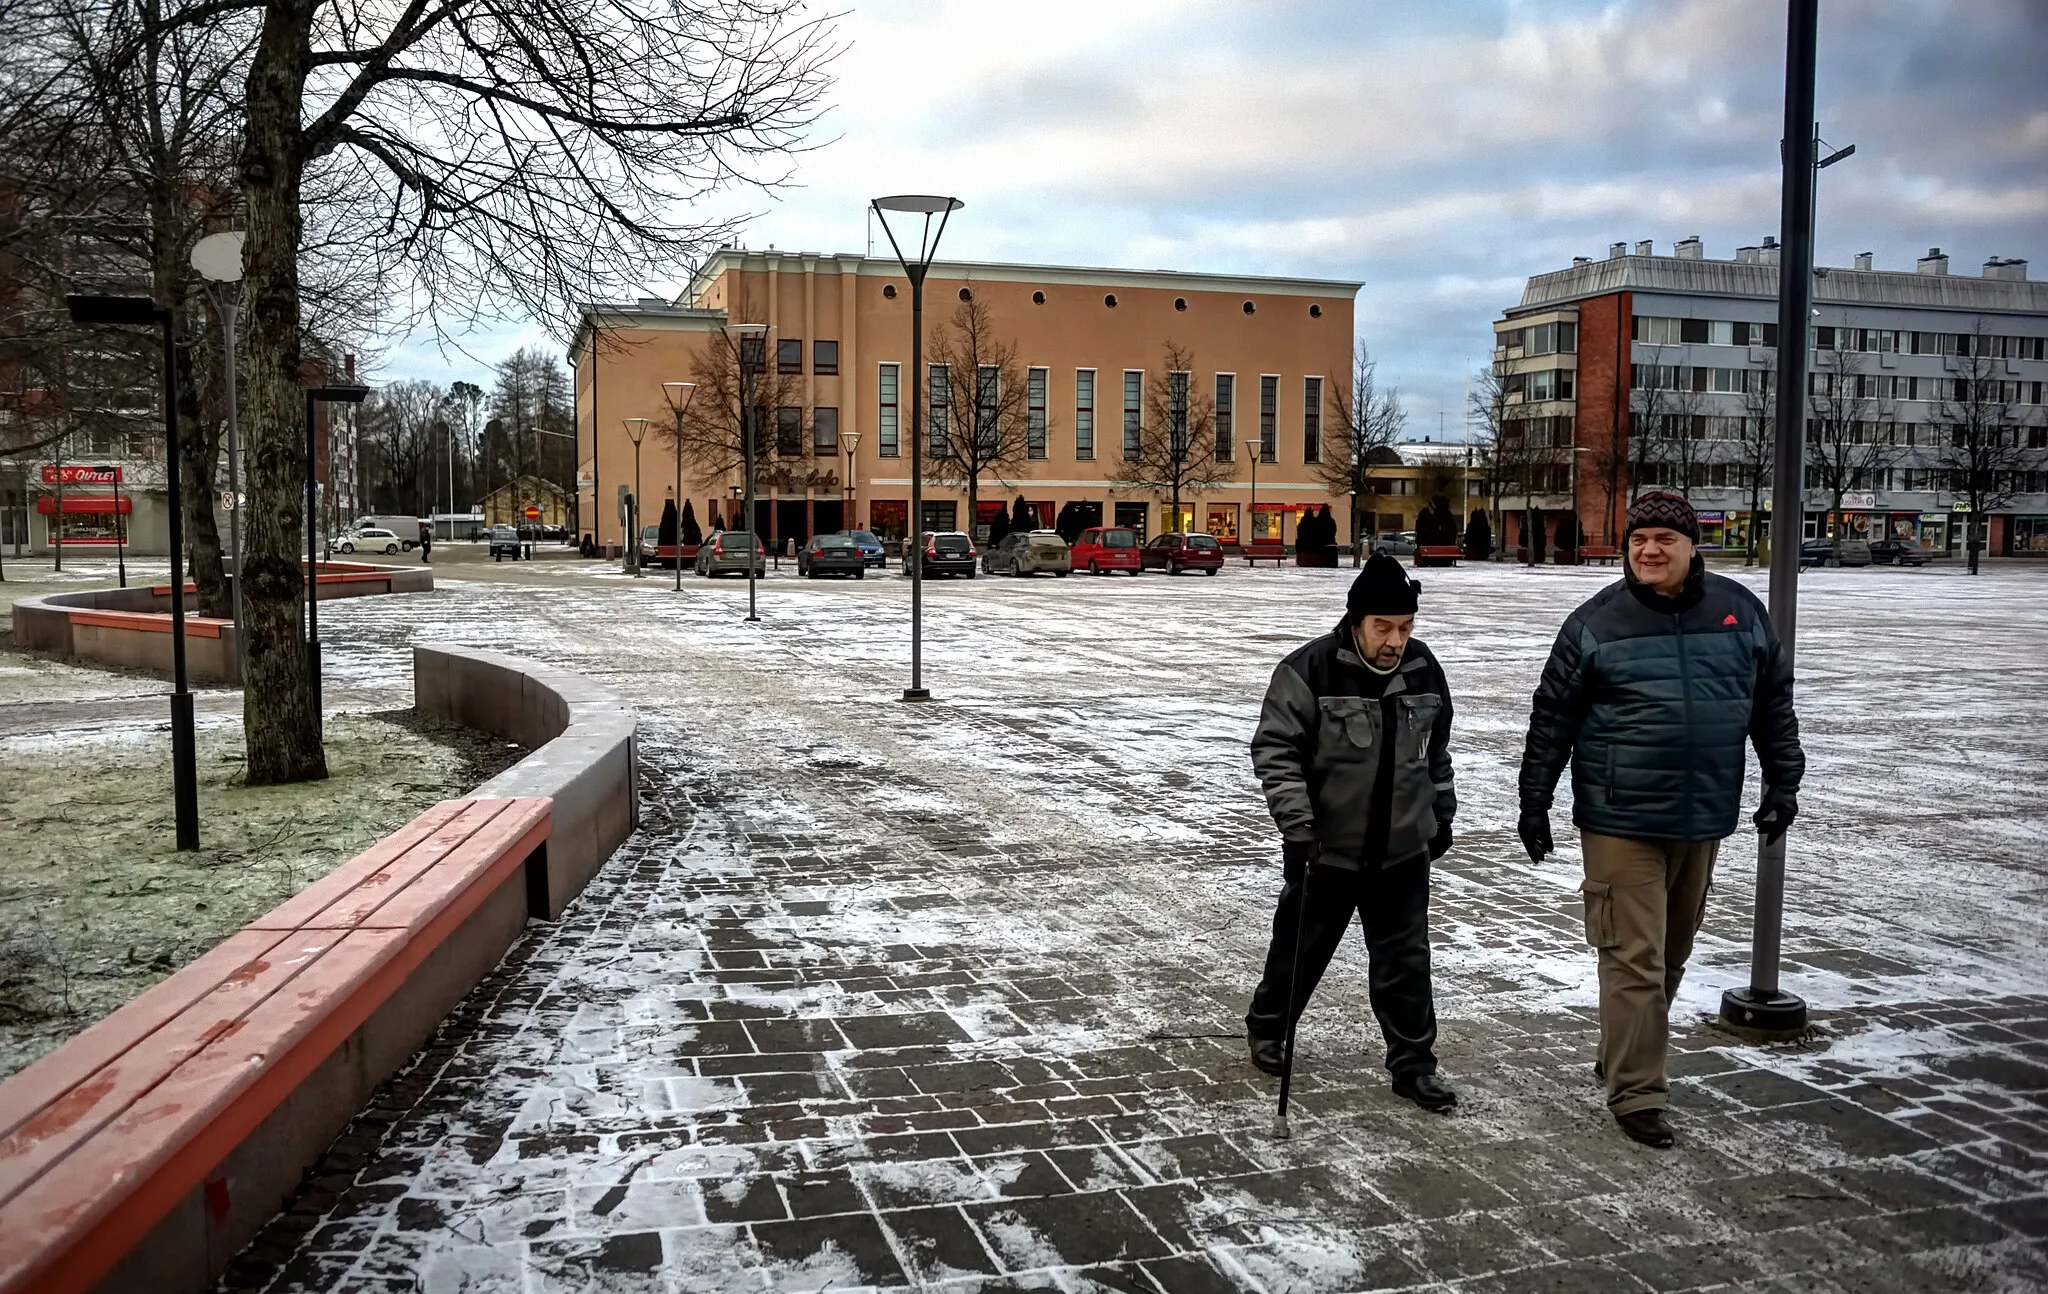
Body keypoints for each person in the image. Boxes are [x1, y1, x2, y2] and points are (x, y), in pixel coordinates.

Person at [1519, 492, 1803, 1148]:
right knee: (1634, 955)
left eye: (1663, 540)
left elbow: (1772, 707)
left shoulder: (1741, 613)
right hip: (1619, 818)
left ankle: (1623, 1052)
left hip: (1702, 814)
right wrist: (1536, 801)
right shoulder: (1595, 623)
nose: (1649, 550)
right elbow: (1551, 718)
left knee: (1672, 951)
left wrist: (1783, 782)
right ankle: (1637, 1093)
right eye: (1639, 539)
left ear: (1691, 545)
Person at [1245, 551, 1459, 1112]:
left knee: (1406, 963)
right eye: (1383, 627)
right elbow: (1275, 750)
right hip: (1328, 847)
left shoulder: (1423, 668)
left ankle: (1414, 1065)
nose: (1395, 639)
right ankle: (1268, 1026)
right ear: (1355, 621)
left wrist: (1442, 814)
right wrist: (1298, 826)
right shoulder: (1309, 669)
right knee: (1300, 948)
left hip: (1401, 851)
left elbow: (1435, 752)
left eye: (1405, 627)